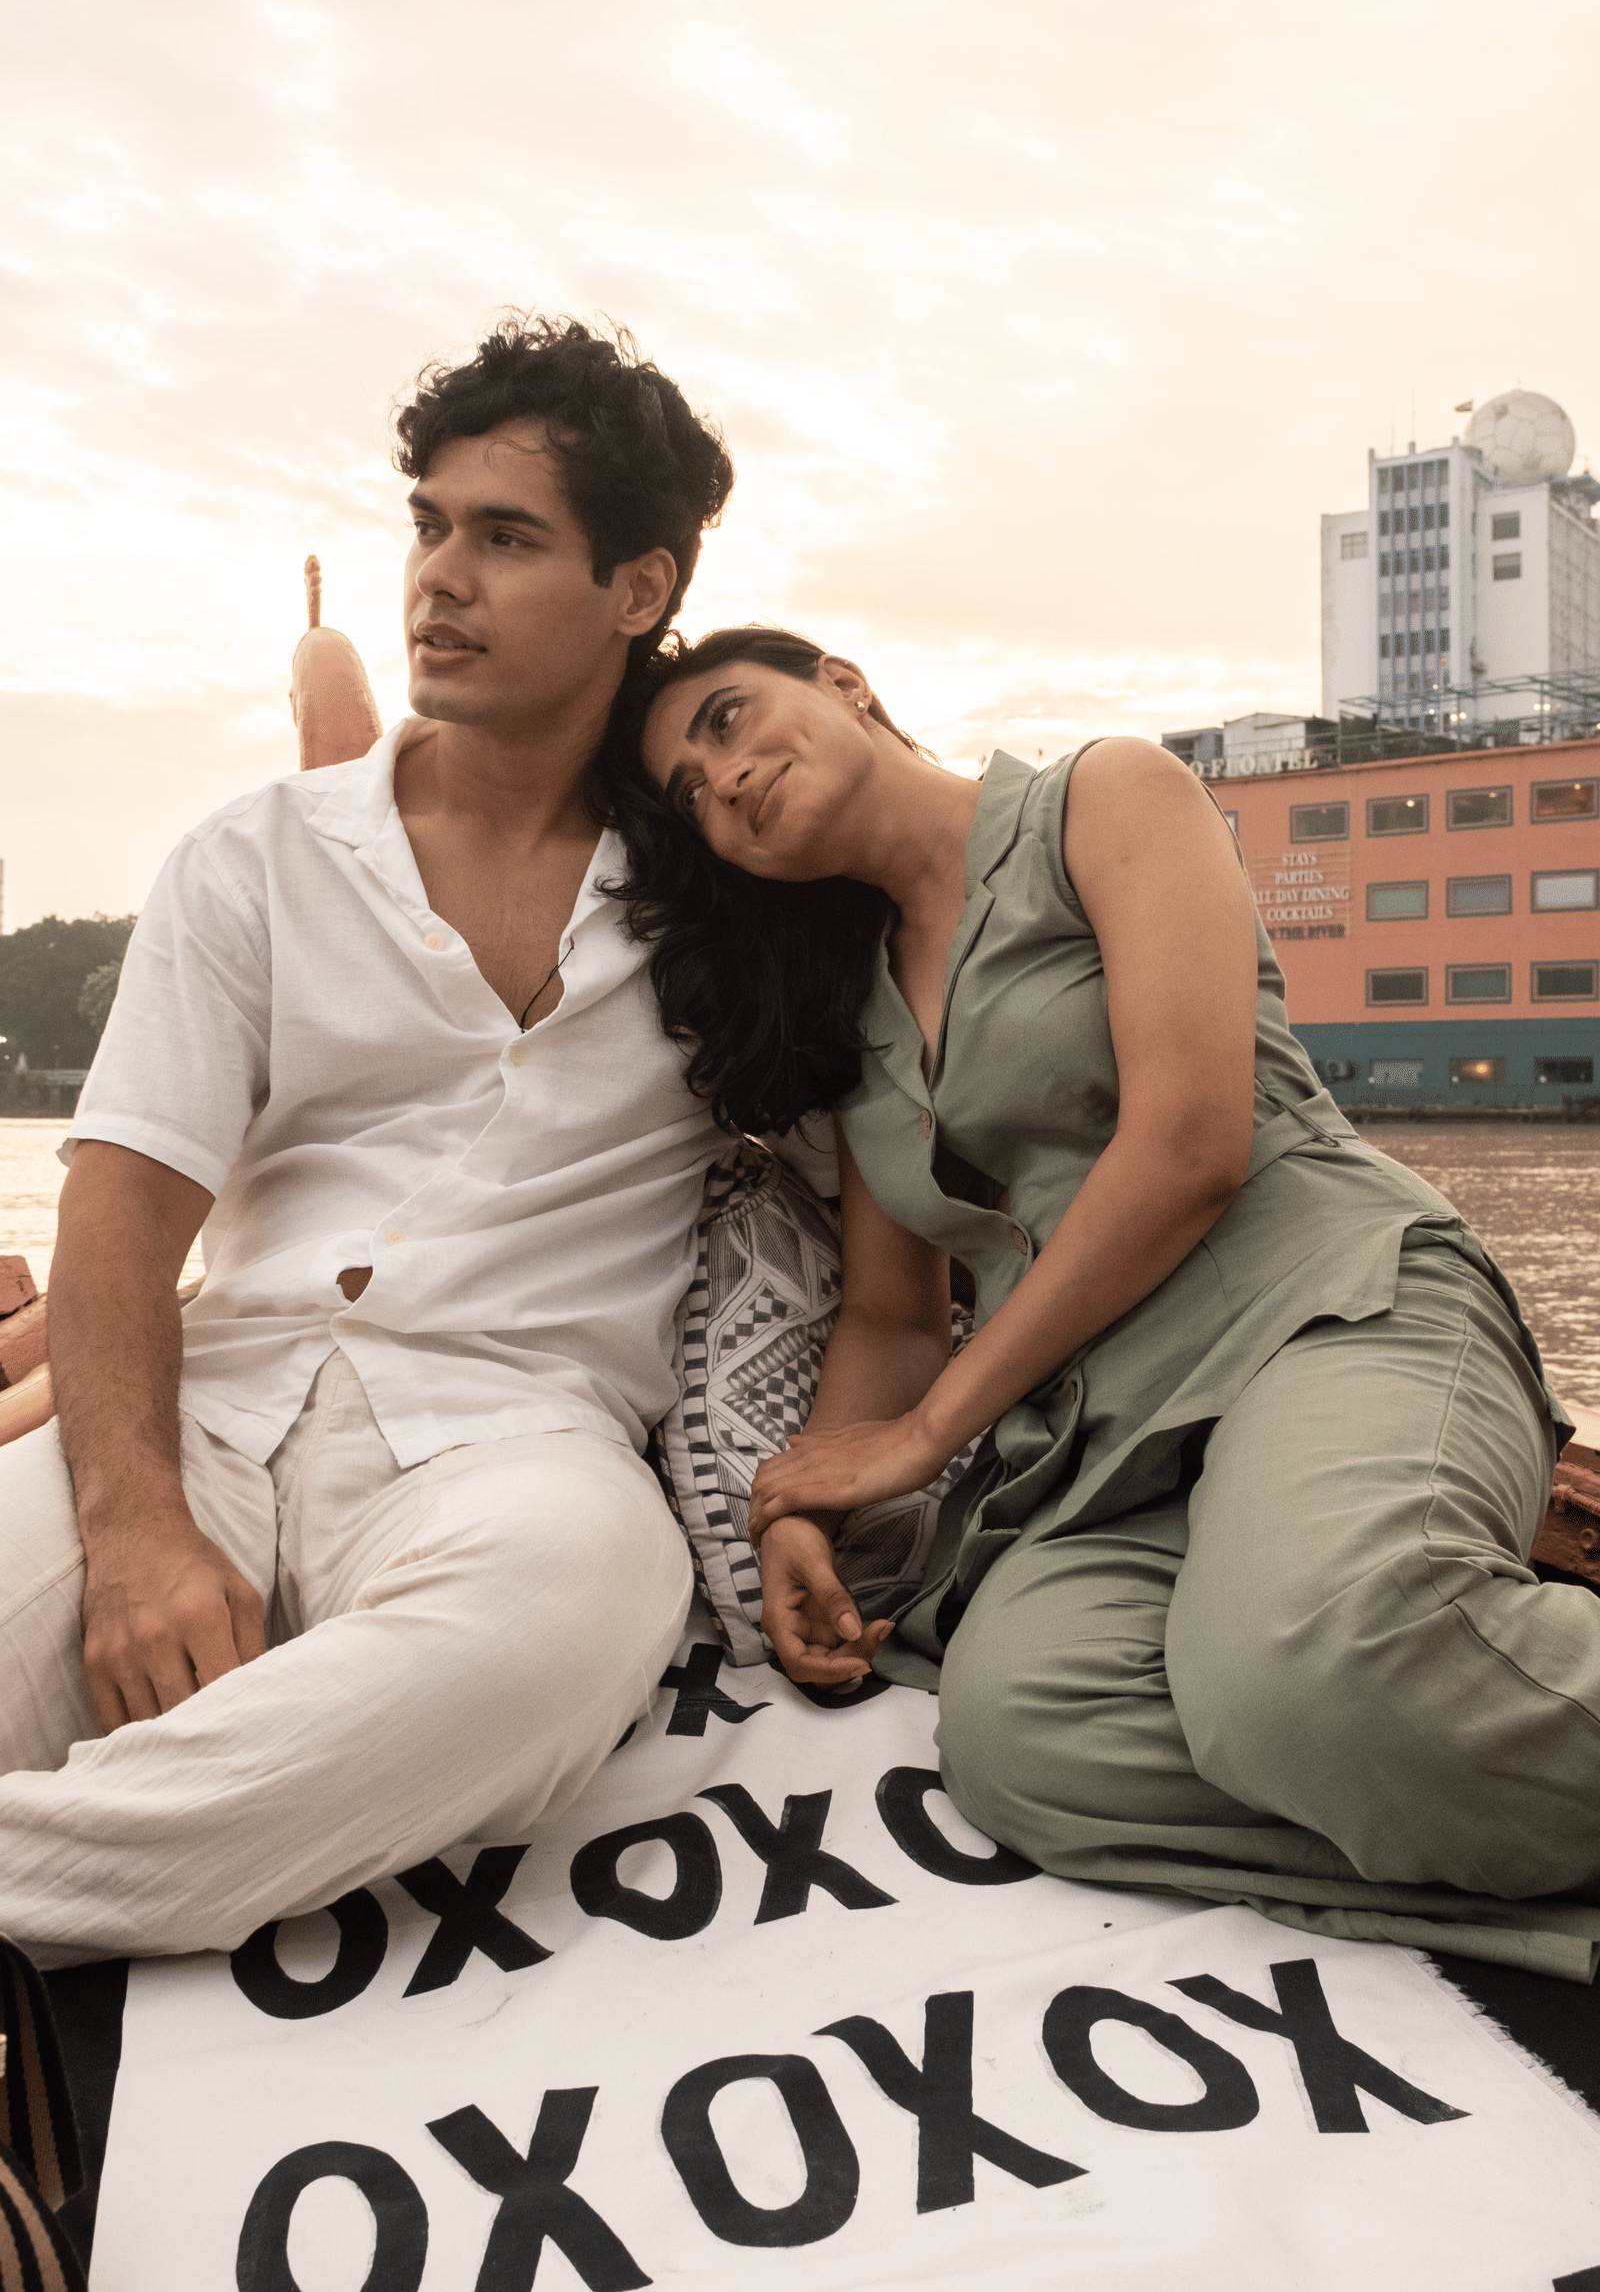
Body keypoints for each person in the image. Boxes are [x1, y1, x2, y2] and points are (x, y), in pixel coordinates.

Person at [610, 623, 1600, 1979]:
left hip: (1321, 1316)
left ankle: (1403, 1752)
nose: (722, 780)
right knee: (1024, 1741)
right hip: (1110, 1452)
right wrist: (805, 1512)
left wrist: (922, 1438)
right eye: (688, 793)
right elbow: (895, 1317)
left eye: (727, 720)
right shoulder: (851, 1016)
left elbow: (1190, 1145)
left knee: (1317, 1666)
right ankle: (1525, 1888)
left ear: (844, 685)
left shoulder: (1105, 797)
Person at [0, 315, 735, 1969]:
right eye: (429, 525)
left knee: (575, 1620)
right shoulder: (256, 858)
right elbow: (118, 1213)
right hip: (204, 1409)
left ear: (639, 587)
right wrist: (134, 1535)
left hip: (511, 1443)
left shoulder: (728, 893)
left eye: (505, 537)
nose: (438, 579)